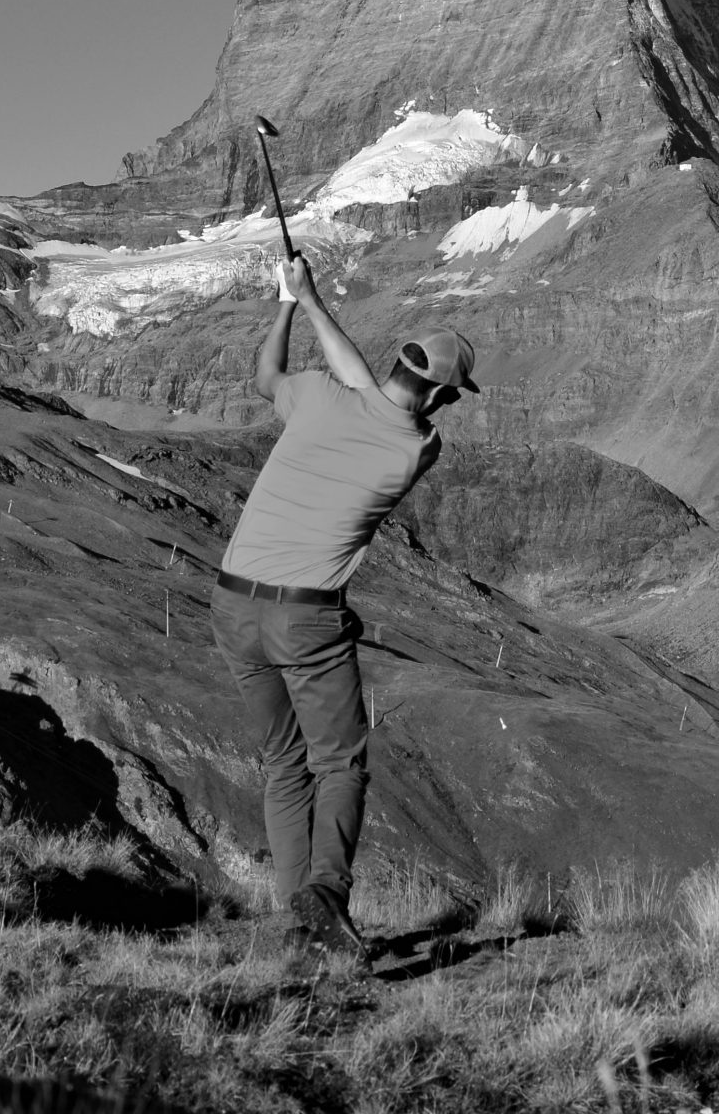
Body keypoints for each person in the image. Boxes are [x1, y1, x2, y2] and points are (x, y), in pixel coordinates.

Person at [211, 252, 475, 956]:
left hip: (231, 604)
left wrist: (293, 301)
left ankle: (298, 924)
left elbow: (269, 375)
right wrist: (312, 301)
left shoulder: (318, 398)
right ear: (439, 397)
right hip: (306, 619)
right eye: (450, 397)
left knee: (283, 763)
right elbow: (381, 397)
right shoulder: (416, 449)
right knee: (339, 765)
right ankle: (325, 895)